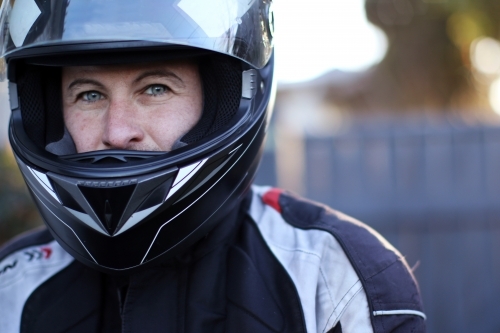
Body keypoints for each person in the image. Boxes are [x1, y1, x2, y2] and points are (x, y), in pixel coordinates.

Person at [0, 0, 426, 332]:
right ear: (49, 113)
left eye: (155, 88)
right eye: (89, 95)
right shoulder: (12, 288)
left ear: (221, 102)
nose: (118, 131)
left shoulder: (332, 280)